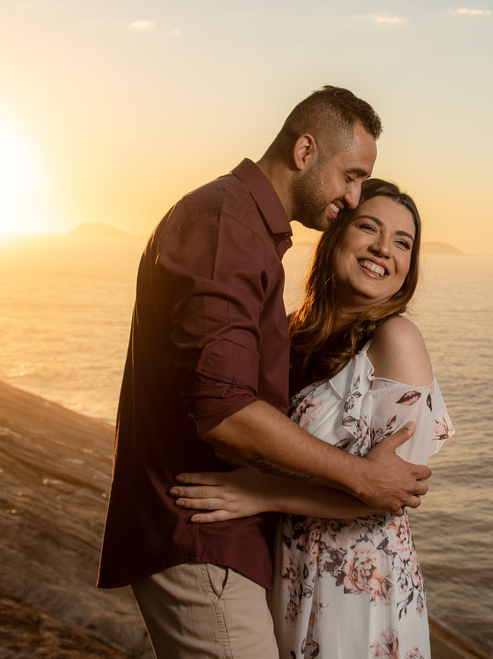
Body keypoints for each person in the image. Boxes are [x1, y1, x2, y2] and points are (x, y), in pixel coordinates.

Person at [97, 87, 432, 659]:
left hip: (333, 583)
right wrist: (350, 476)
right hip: (206, 535)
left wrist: (265, 494)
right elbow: (226, 408)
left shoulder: (255, 245)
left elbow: (395, 487)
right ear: (305, 150)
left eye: (403, 242)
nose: (352, 199)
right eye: (350, 178)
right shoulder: (232, 231)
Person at [169, 179, 453, 659]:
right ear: (336, 234)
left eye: (403, 243)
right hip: (289, 570)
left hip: (360, 592)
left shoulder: (396, 340)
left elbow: (391, 496)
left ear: (409, 266)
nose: (384, 249)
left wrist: (260, 491)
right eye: (369, 227)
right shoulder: (289, 331)